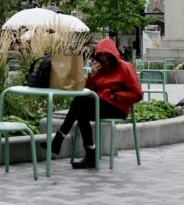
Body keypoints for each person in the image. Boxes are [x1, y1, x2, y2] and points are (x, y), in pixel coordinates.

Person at [48, 38, 141, 169]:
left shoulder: (125, 67)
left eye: (107, 55)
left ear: (113, 54)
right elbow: (88, 91)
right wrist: (91, 75)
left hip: (117, 107)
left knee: (80, 105)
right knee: (80, 108)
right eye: (101, 56)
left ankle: (60, 139)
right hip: (99, 104)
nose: (104, 59)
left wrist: (117, 95)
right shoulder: (99, 69)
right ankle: (88, 155)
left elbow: (137, 94)